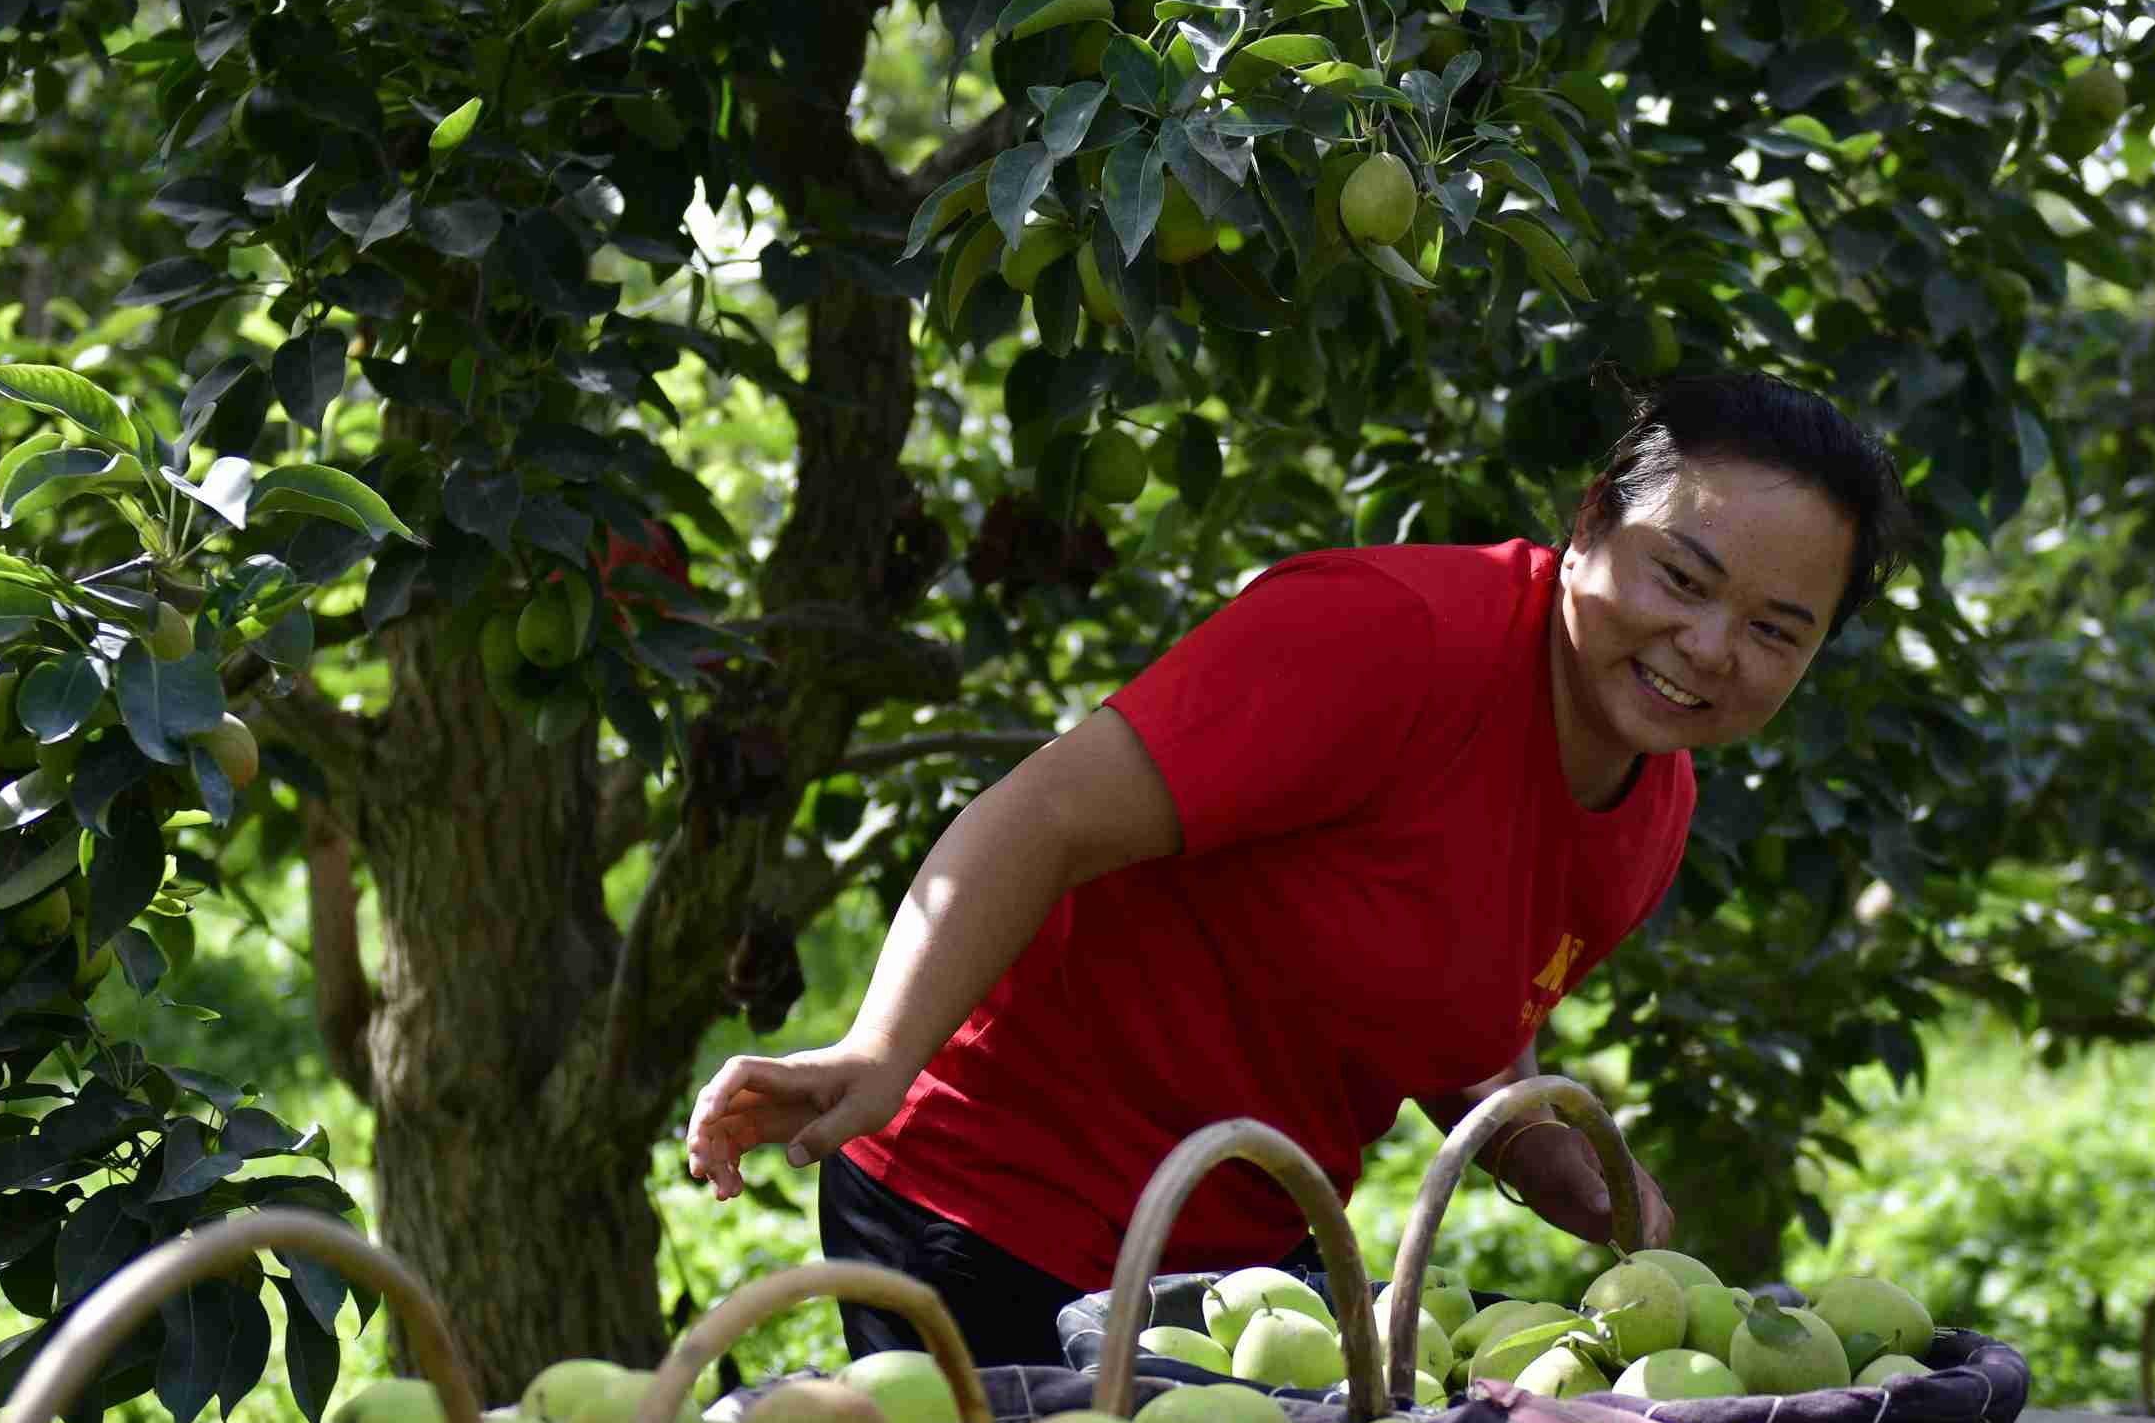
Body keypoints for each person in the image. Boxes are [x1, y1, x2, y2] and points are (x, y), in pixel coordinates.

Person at [680, 373, 1918, 1369]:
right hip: (1000, 1199)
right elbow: (1041, 815)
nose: (1708, 648)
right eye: (1682, 578)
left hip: (1239, 1258)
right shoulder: (1389, 638)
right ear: (1591, 520)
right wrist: (874, 1052)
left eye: (1773, 630)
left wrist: (1559, 1157)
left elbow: (1456, 1011)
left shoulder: (1654, 804)